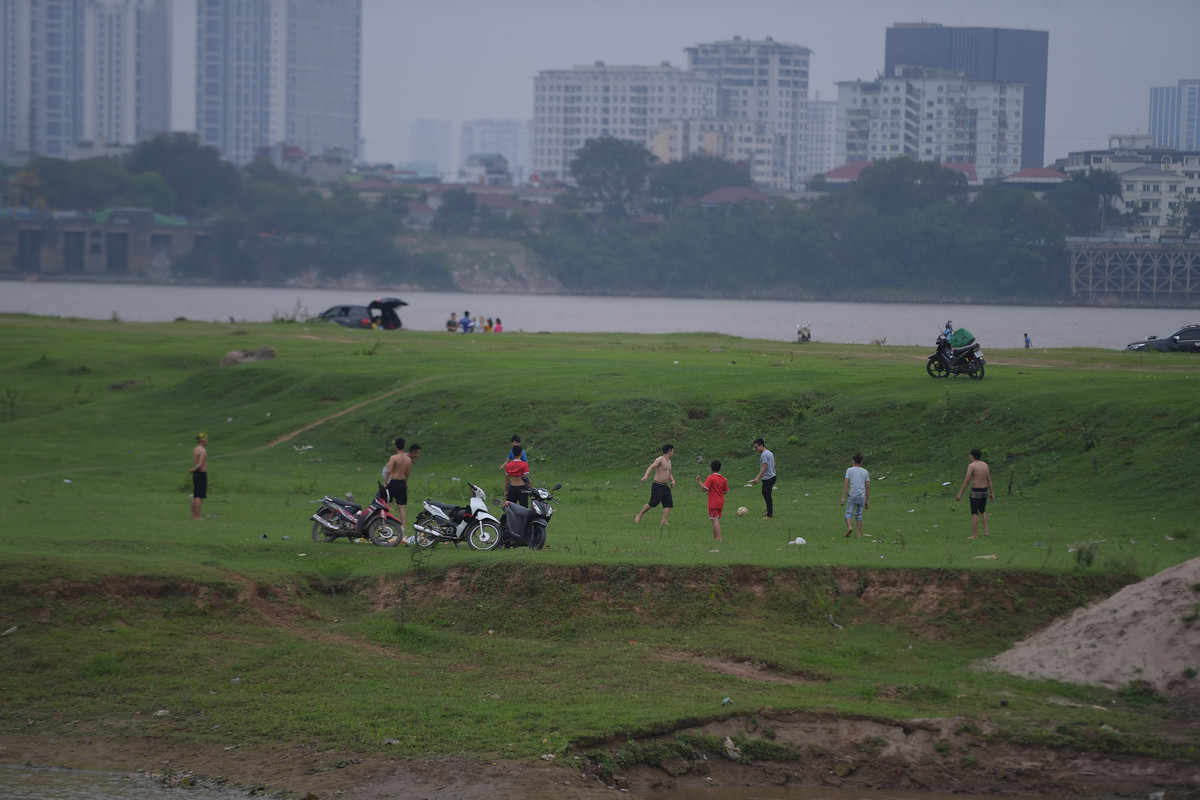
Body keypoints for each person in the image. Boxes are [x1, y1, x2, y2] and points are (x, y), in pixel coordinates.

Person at [956, 448, 995, 539]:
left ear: (972, 456)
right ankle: (986, 531)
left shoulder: (972, 466)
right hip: (984, 490)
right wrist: (992, 493)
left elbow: (967, 480)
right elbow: (989, 480)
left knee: (974, 512)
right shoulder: (985, 465)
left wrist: (960, 493)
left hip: (976, 491)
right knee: (983, 510)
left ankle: (975, 534)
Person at [634, 444, 675, 525]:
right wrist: (646, 476)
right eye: (672, 451)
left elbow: (669, 473)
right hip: (657, 485)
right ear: (669, 452)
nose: (673, 453)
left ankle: (664, 521)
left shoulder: (669, 462)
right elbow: (651, 467)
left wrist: (672, 480)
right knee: (653, 503)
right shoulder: (660, 459)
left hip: (665, 486)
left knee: (669, 504)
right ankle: (639, 515)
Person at [381, 437, 414, 531]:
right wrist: (406, 483)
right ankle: (403, 527)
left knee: (386, 504)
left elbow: (388, 472)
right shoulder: (408, 459)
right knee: (402, 507)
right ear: (404, 446)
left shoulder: (394, 458)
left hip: (393, 483)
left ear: (396, 446)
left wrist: (385, 483)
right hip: (402, 483)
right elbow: (407, 473)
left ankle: (384, 524)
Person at [697, 460, 729, 541]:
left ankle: (719, 538)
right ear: (721, 468)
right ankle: (715, 538)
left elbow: (705, 489)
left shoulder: (710, 478)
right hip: (721, 502)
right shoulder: (723, 479)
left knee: (714, 520)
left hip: (713, 503)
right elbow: (726, 491)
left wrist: (699, 481)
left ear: (711, 469)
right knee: (716, 519)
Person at [840, 453, 870, 538]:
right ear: (861, 462)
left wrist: (843, 497)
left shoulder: (849, 470)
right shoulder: (865, 472)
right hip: (862, 496)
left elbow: (846, 483)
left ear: (853, 461)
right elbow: (867, 486)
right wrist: (867, 500)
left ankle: (850, 527)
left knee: (849, 513)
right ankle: (858, 533)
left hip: (852, 495)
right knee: (859, 514)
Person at [749, 438, 776, 519]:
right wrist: (773, 472)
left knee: (766, 495)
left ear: (761, 445)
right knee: (767, 494)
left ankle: (769, 515)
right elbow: (775, 464)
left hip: (768, 478)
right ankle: (769, 510)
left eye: (756, 447)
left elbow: (764, 466)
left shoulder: (764, 455)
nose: (756, 449)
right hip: (773, 476)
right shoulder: (769, 453)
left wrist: (757, 477)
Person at [190, 432, 208, 519]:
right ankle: (197, 516)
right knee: (200, 496)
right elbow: (200, 465)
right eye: (206, 439)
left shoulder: (196, 449)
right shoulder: (202, 450)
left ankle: (193, 515)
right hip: (201, 474)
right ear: (203, 440)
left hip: (196, 475)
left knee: (195, 495)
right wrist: (194, 469)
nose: (207, 441)